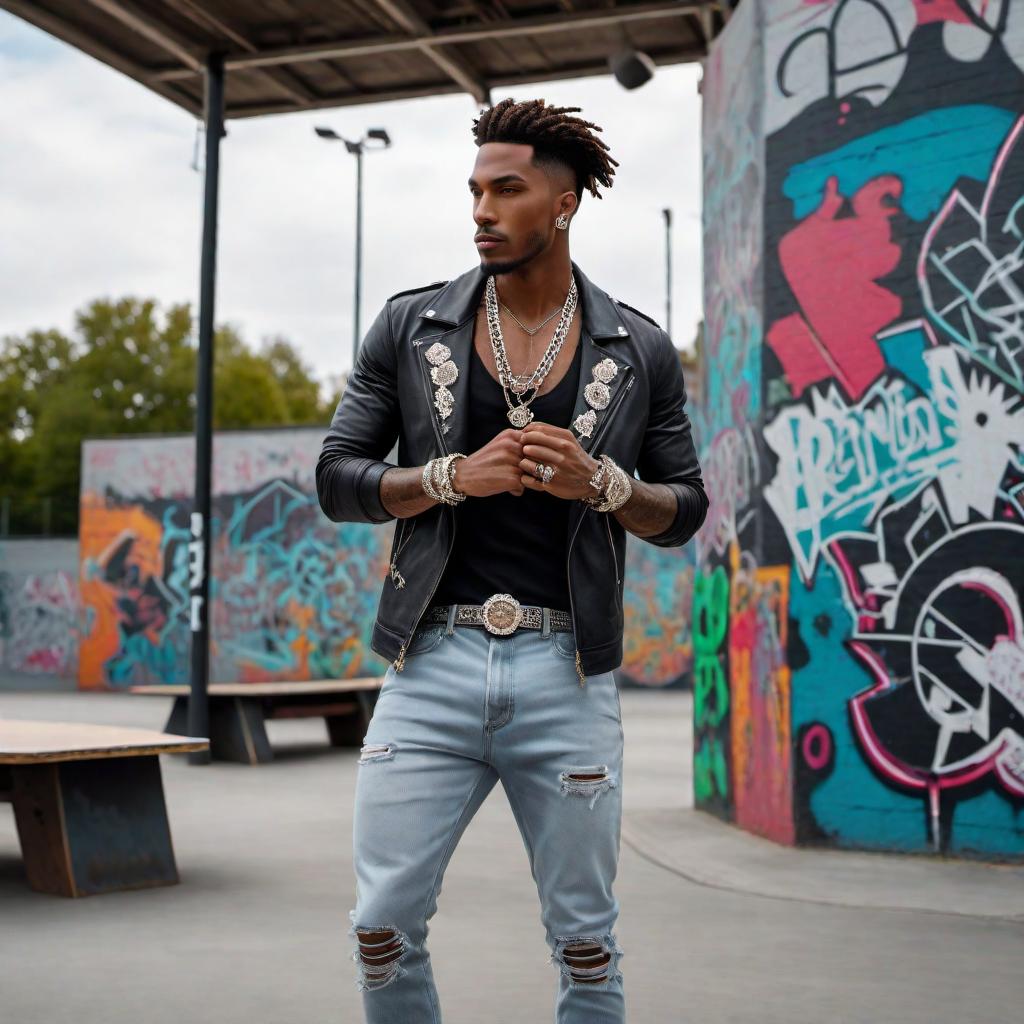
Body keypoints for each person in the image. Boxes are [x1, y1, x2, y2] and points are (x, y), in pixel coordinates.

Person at [317, 95, 708, 1024]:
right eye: (475, 191)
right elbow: (338, 479)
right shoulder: (411, 328)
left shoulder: (639, 347)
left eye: (507, 189)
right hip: (430, 664)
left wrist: (604, 485)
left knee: (584, 943)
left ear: (564, 203)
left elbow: (685, 509)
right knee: (381, 926)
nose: (482, 211)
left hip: (565, 672)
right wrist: (454, 477)